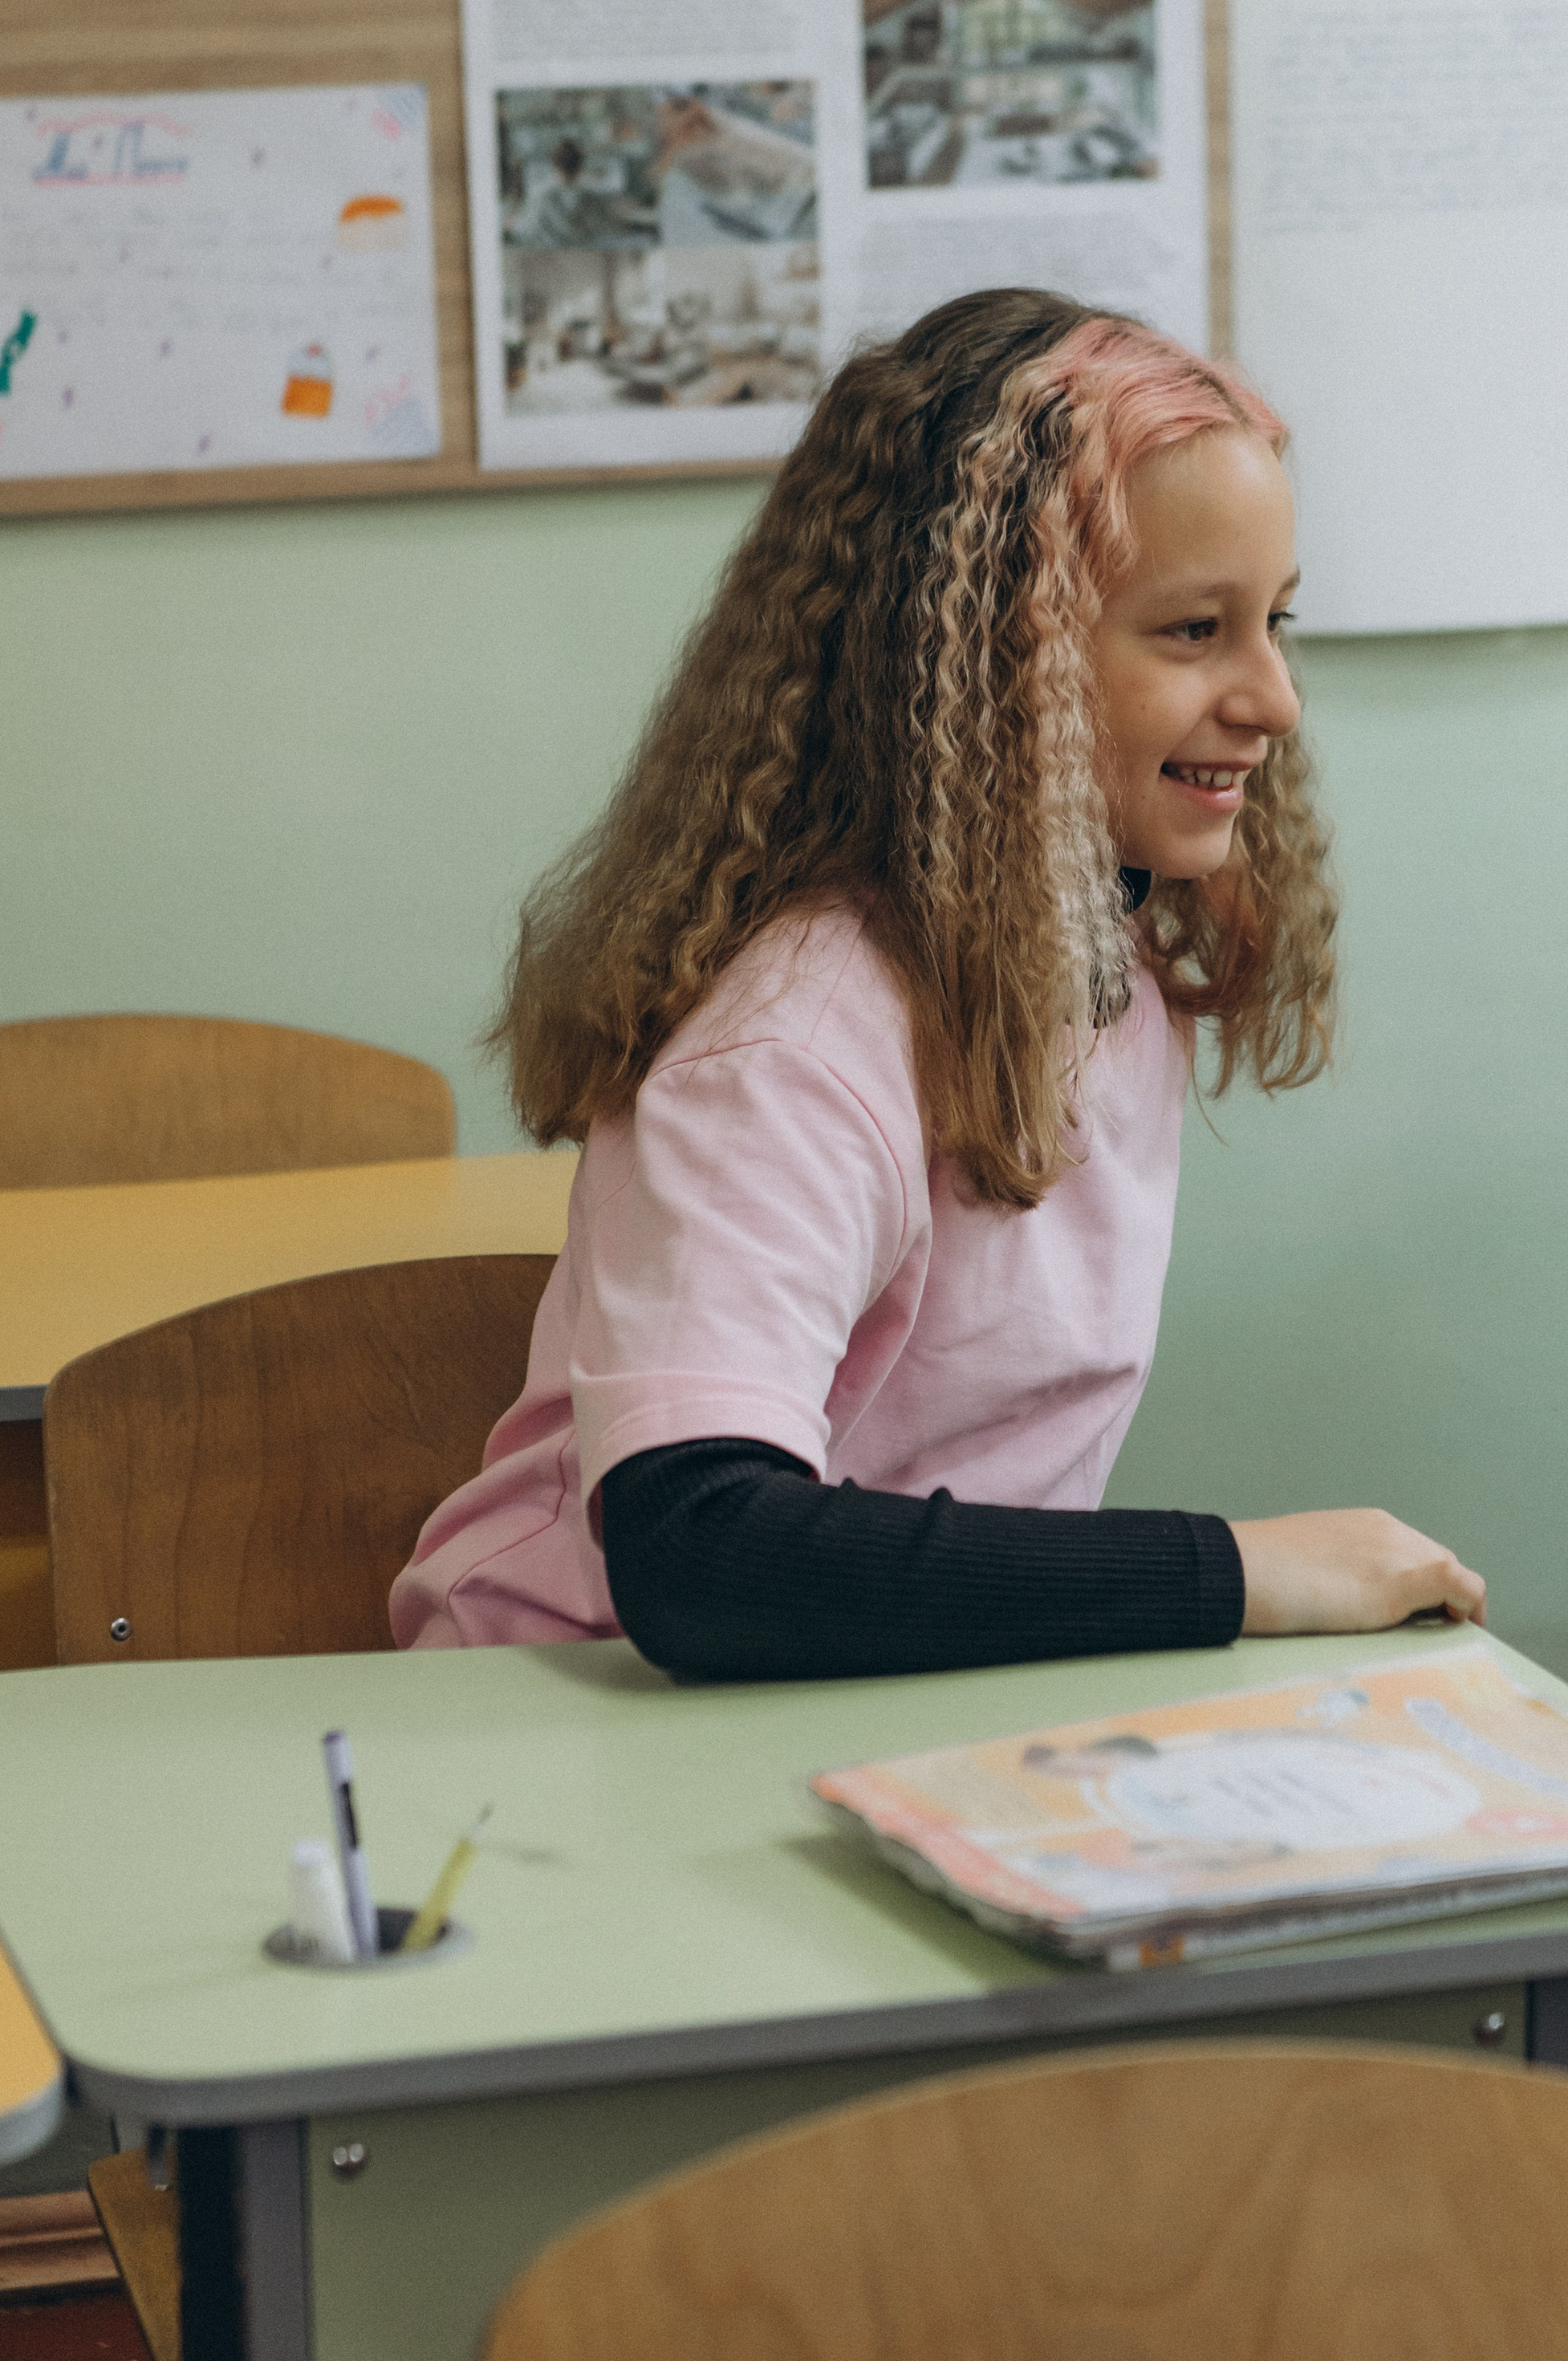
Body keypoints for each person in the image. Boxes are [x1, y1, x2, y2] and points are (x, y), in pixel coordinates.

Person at [391, 289, 1485, 1676]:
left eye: (1275, 621)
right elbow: (705, 1555)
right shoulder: (797, 1039)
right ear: (987, 665)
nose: (1274, 698)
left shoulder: (1102, 963)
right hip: (571, 1716)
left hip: (871, 1700)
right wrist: (1237, 1571)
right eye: (1195, 631)